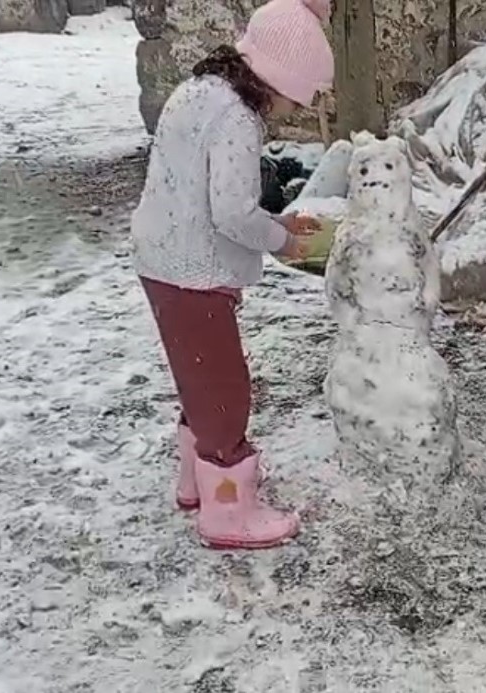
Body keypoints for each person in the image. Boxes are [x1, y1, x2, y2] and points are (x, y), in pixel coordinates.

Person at [129, 0, 333, 550]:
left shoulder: (200, 91)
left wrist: (277, 222)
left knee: (199, 378)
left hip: (164, 258)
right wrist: (285, 240)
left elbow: (203, 192)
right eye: (299, 97)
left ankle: (197, 481)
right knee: (223, 390)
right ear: (279, 78)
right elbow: (233, 213)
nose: (294, 110)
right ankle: (227, 511)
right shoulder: (238, 119)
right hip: (191, 271)